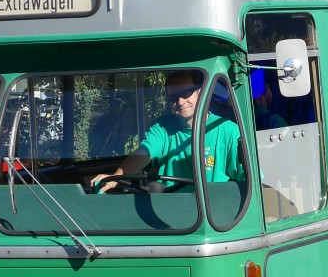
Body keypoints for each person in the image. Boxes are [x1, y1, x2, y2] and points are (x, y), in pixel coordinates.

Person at [91, 71, 242, 192]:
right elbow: (144, 153)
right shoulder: (163, 127)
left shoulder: (227, 130)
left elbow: (246, 180)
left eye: (186, 93)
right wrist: (116, 177)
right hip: (170, 211)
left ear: (200, 92)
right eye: (174, 97)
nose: (180, 102)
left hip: (213, 216)